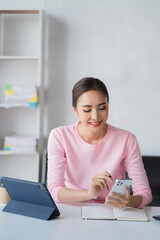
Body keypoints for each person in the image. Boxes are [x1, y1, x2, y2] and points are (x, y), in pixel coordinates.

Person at [47, 77, 152, 208]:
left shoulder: (126, 139)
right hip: (71, 208)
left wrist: (130, 202)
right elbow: (53, 190)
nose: (95, 116)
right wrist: (88, 194)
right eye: (87, 110)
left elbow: (145, 192)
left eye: (102, 107)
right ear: (75, 110)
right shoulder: (59, 136)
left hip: (110, 211)